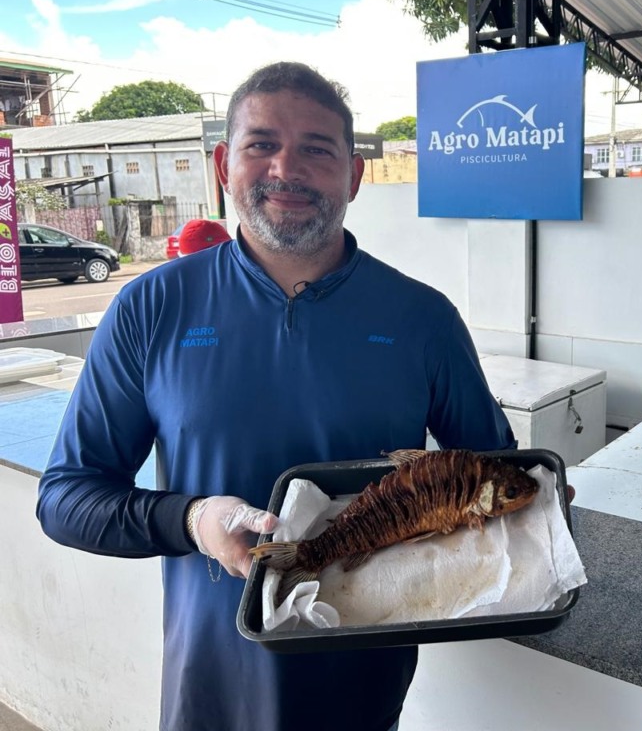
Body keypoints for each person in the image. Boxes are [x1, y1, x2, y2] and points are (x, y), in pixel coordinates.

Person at [36, 61, 515, 731]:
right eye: (261, 144)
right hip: (210, 683)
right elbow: (66, 499)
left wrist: (535, 512)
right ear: (222, 165)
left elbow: (498, 476)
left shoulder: (422, 319)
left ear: (354, 176)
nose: (286, 169)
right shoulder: (152, 307)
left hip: (365, 685)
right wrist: (192, 521)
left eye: (317, 150)